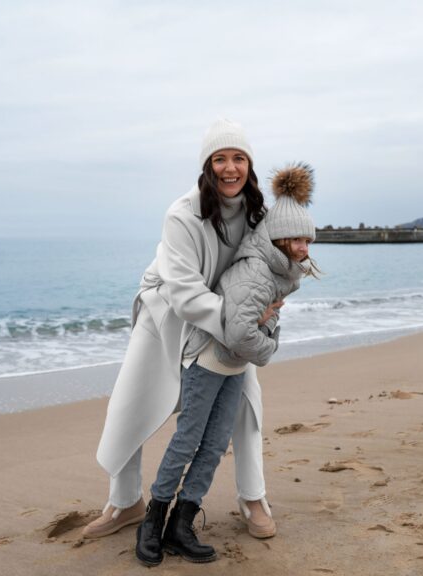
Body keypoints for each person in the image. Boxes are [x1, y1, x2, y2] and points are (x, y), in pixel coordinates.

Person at [83, 119, 278, 544]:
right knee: (131, 403)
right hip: (167, 309)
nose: (230, 168)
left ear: (249, 165)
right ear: (207, 167)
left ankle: (253, 497)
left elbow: (274, 266)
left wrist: (259, 313)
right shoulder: (181, 214)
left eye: (239, 158)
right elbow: (186, 296)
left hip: (229, 314)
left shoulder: (258, 214)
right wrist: (240, 322)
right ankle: (125, 501)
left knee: (247, 401)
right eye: (220, 159)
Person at [135, 162, 319, 566]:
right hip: (208, 361)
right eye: (298, 239)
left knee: (216, 445)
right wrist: (269, 345)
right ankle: (153, 520)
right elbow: (239, 333)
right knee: (188, 441)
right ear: (279, 238)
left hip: (233, 365)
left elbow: (261, 320)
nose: (306, 248)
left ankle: (181, 524)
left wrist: (266, 325)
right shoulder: (258, 272)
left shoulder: (279, 269)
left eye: (309, 239)